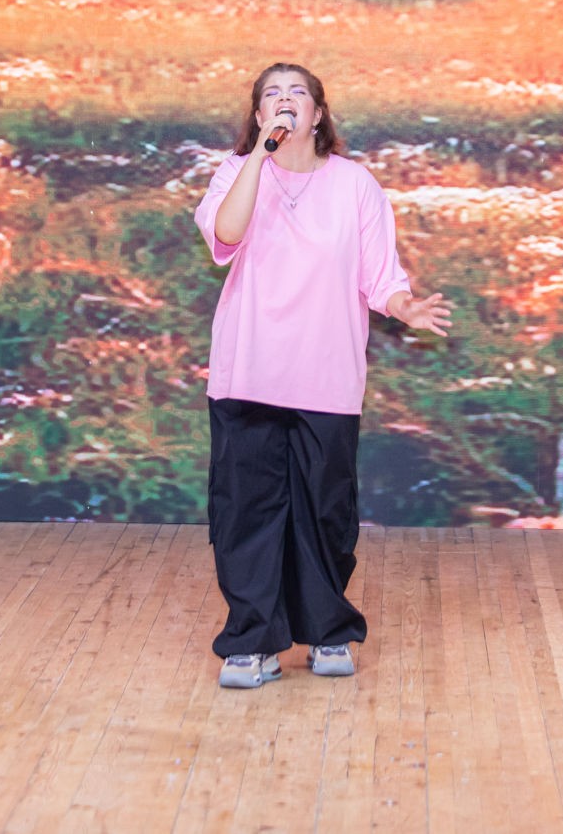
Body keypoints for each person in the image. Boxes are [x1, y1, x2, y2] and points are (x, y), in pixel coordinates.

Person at [192, 62, 452, 689]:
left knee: (326, 511)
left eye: (297, 93)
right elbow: (226, 233)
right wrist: (258, 157)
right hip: (248, 369)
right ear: (259, 115)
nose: (285, 101)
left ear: (317, 114)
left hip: (326, 373)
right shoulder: (237, 172)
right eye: (272, 95)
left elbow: (379, 275)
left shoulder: (355, 185)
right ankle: (251, 643)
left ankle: (328, 631)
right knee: (246, 511)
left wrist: (405, 307)